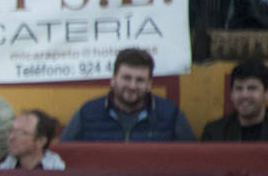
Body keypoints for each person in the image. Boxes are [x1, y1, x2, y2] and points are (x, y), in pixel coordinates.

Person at [62, 47, 194, 142]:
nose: (132, 86)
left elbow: (192, 161)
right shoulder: (87, 113)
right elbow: (63, 158)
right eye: (126, 78)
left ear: (149, 84)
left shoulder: (171, 114)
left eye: (140, 80)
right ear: (113, 80)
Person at [201, 61, 267, 143]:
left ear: (266, 93)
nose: (244, 95)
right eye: (239, 89)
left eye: (252, 88)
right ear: (231, 94)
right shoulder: (214, 133)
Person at [0, 109, 65, 169]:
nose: (11, 137)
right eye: (11, 131)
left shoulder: (56, 171)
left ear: (40, 141)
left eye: (21, 133)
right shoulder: (3, 165)